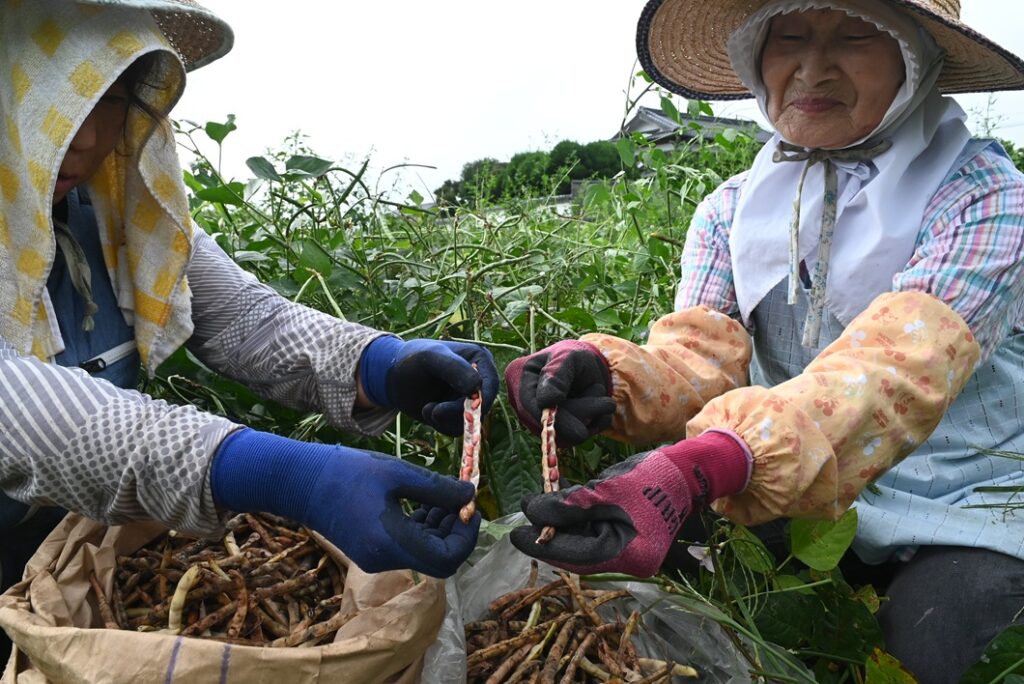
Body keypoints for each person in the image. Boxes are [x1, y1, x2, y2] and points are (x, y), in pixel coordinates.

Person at [504, 0, 1024, 680]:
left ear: (914, 57)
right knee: (595, 552)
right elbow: (701, 356)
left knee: (938, 644)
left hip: (958, 500)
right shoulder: (733, 210)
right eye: (791, 37)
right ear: (757, 56)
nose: (812, 68)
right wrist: (610, 377)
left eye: (854, 35)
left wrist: (707, 463)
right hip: (787, 486)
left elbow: (897, 369)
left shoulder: (984, 194)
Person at [0, 0, 499, 659]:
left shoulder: (115, 210)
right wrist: (283, 474)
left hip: (73, 567)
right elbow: (16, 405)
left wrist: (383, 366)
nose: (89, 137)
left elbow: (245, 319)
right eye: (63, 95)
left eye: (112, 96)